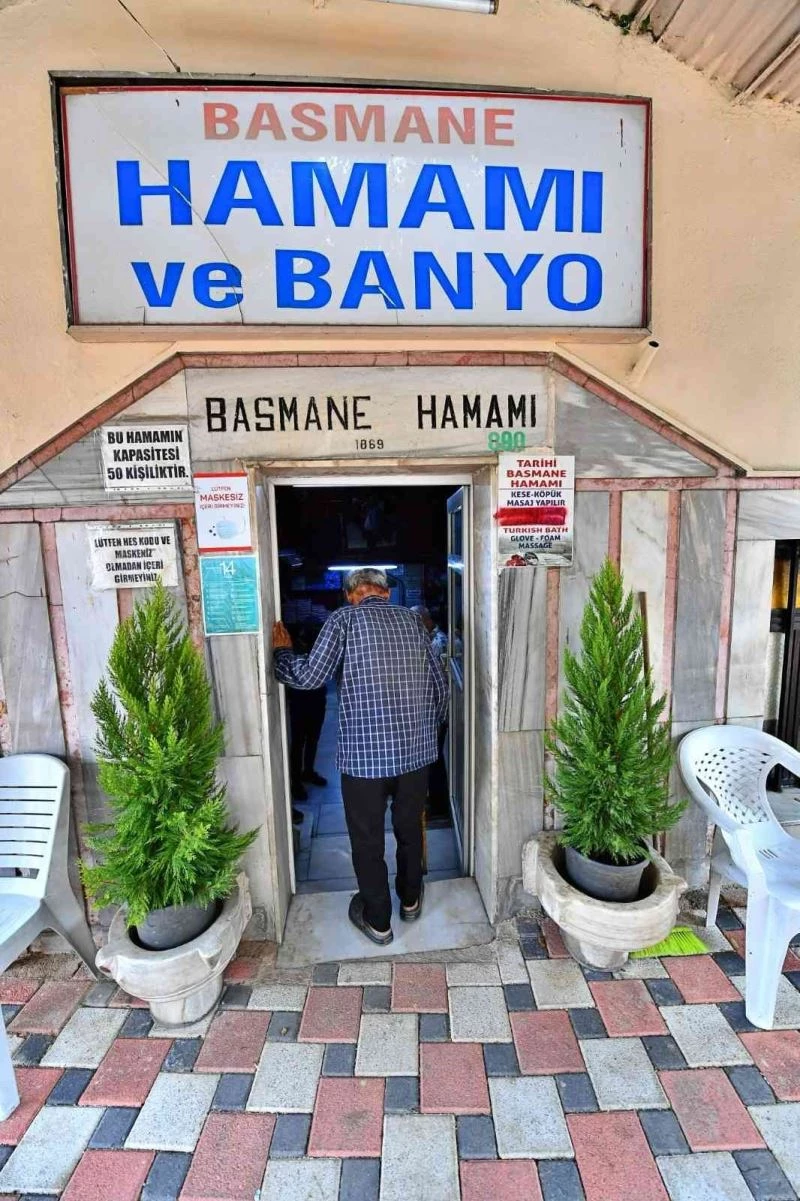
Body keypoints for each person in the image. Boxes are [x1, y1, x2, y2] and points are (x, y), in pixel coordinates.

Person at [273, 568, 448, 945]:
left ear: (351, 594)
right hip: (415, 757)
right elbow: (439, 686)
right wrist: (427, 734)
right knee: (409, 829)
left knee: (367, 840)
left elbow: (309, 677)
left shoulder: (343, 620)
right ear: (385, 592)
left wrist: (282, 655)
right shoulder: (413, 621)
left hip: (364, 761)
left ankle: (378, 920)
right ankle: (411, 900)